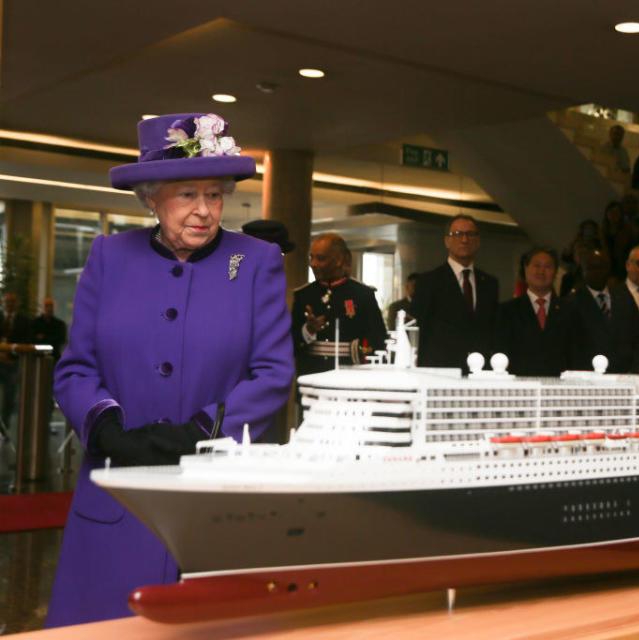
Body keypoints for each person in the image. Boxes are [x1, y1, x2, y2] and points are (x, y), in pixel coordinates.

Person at [47, 113, 295, 627]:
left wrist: (204, 429)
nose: (204, 210)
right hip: (118, 495)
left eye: (214, 194)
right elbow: (75, 368)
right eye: (187, 195)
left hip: (217, 500)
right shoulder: (109, 256)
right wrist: (107, 428)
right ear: (152, 197)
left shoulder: (256, 261)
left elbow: (272, 373)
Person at [411, 215, 499, 370]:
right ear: (447, 241)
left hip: (480, 373)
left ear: (478, 242)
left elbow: (493, 330)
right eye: (458, 234)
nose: (464, 240)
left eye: (470, 234)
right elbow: (418, 331)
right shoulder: (428, 282)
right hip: (440, 372)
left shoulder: (490, 284)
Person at [291, 234, 387, 376]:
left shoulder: (362, 294)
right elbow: (289, 343)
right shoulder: (304, 295)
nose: (313, 264)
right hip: (311, 377)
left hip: (351, 376)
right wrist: (308, 330)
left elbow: (378, 340)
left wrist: (358, 351)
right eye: (311, 257)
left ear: (339, 260)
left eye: (320, 258)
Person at [495, 248, 581, 376]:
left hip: (559, 387)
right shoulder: (507, 311)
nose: (541, 271)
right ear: (526, 269)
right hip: (521, 387)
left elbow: (576, 354)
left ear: (555, 272)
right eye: (536, 266)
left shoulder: (571, 310)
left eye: (548, 266)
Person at [567, 251, 639, 373]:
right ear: (583, 271)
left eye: (601, 267)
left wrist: (635, 368)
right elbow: (571, 347)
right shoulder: (572, 303)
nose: (597, 272)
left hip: (626, 374)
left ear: (608, 270)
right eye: (591, 268)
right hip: (589, 377)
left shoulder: (624, 297)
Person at [0, 292, 33, 428]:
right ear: (3, 303)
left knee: (9, 394)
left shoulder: (25, 322)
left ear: (17, 304)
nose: (10, 304)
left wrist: (11, 355)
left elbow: (27, 342)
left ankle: (4, 425)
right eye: (7, 301)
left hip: (14, 363)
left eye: (13, 301)